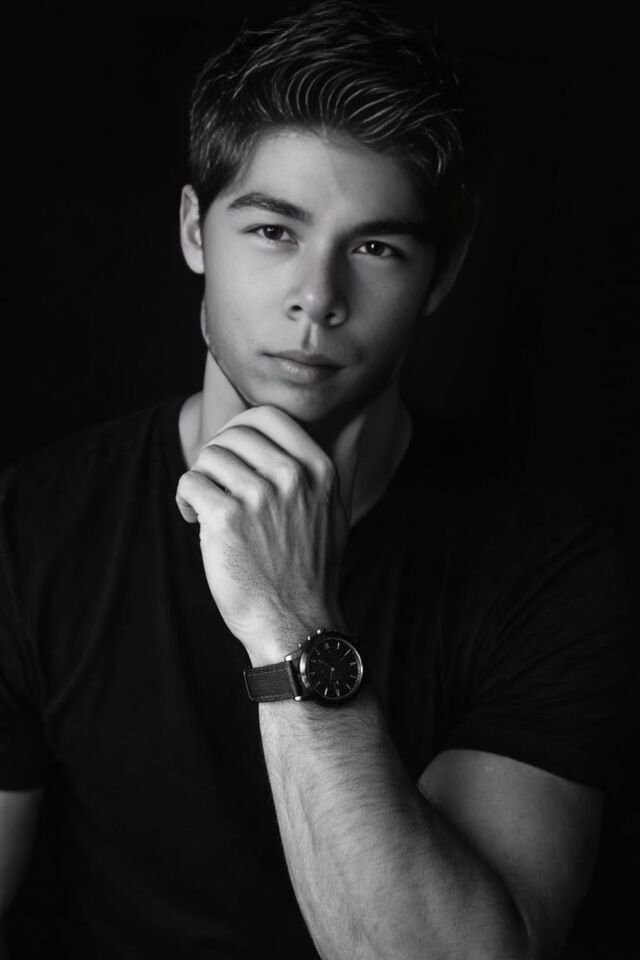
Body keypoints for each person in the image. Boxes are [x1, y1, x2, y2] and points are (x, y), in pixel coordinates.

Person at [0, 2, 630, 957]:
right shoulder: (32, 529)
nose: (317, 298)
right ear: (195, 231)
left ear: (443, 271)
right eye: (272, 230)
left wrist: (292, 626)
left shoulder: (552, 572)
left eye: (376, 247)